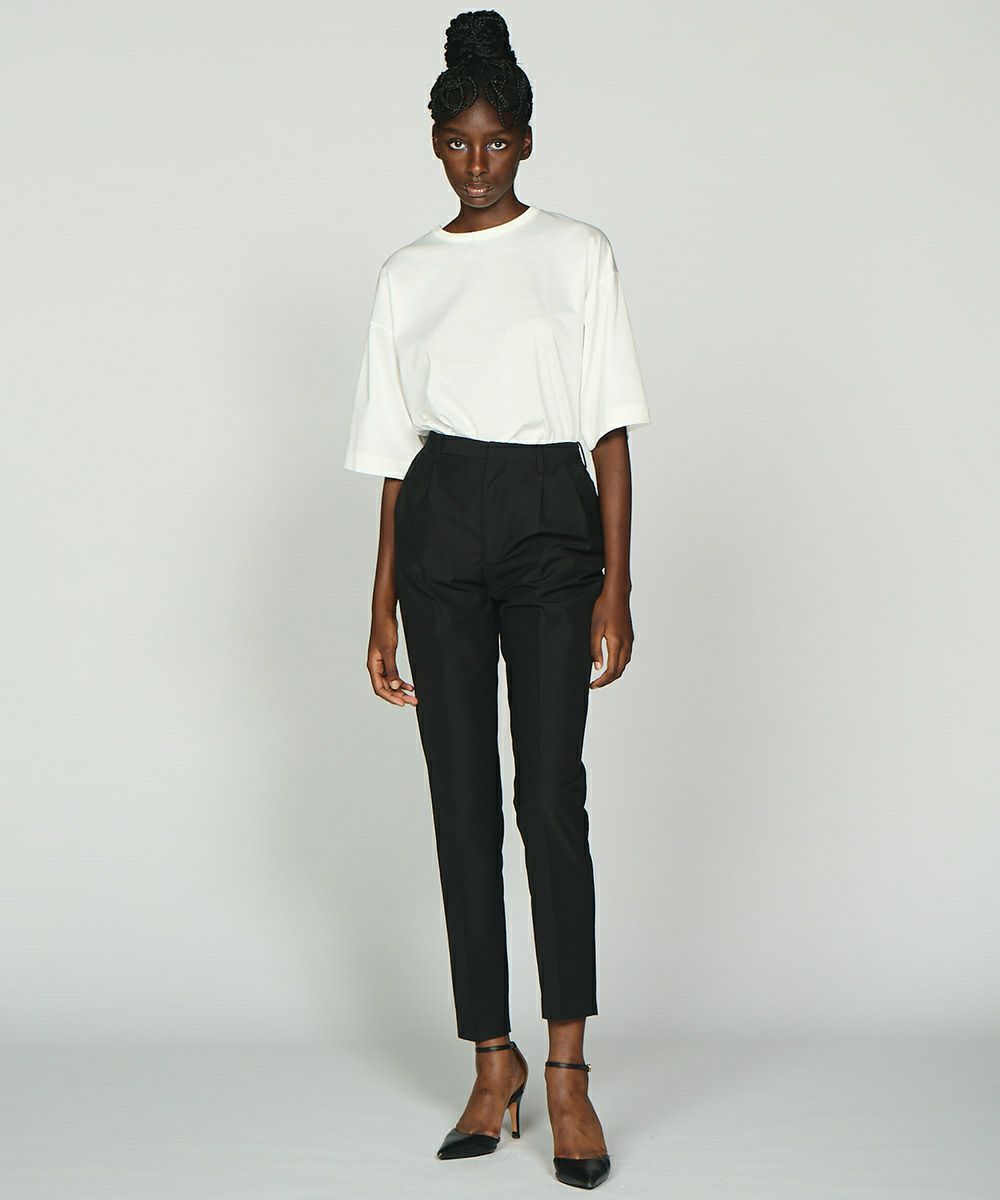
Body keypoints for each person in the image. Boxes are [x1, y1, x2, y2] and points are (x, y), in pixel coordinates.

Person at [343, 10, 651, 1190]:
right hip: (440, 522)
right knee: (459, 802)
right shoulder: (406, 274)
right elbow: (391, 453)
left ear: (526, 141)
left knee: (549, 798)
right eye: (457, 143)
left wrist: (618, 584)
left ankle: (567, 1072)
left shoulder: (578, 254)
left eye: (497, 142)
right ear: (434, 144)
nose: (477, 163)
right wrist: (379, 602)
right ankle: (492, 1060)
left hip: (547, 521)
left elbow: (609, 427)